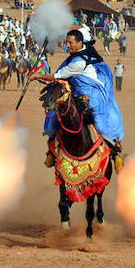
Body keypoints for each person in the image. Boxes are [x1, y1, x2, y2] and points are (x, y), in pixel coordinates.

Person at [33, 28, 125, 171]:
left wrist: (38, 76)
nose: (67, 45)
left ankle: (114, 152)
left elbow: (58, 76)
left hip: (93, 96)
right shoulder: (72, 58)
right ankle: (52, 148)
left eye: (70, 43)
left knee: (101, 124)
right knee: (57, 112)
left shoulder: (79, 62)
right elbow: (59, 77)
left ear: (80, 43)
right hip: (75, 92)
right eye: (66, 42)